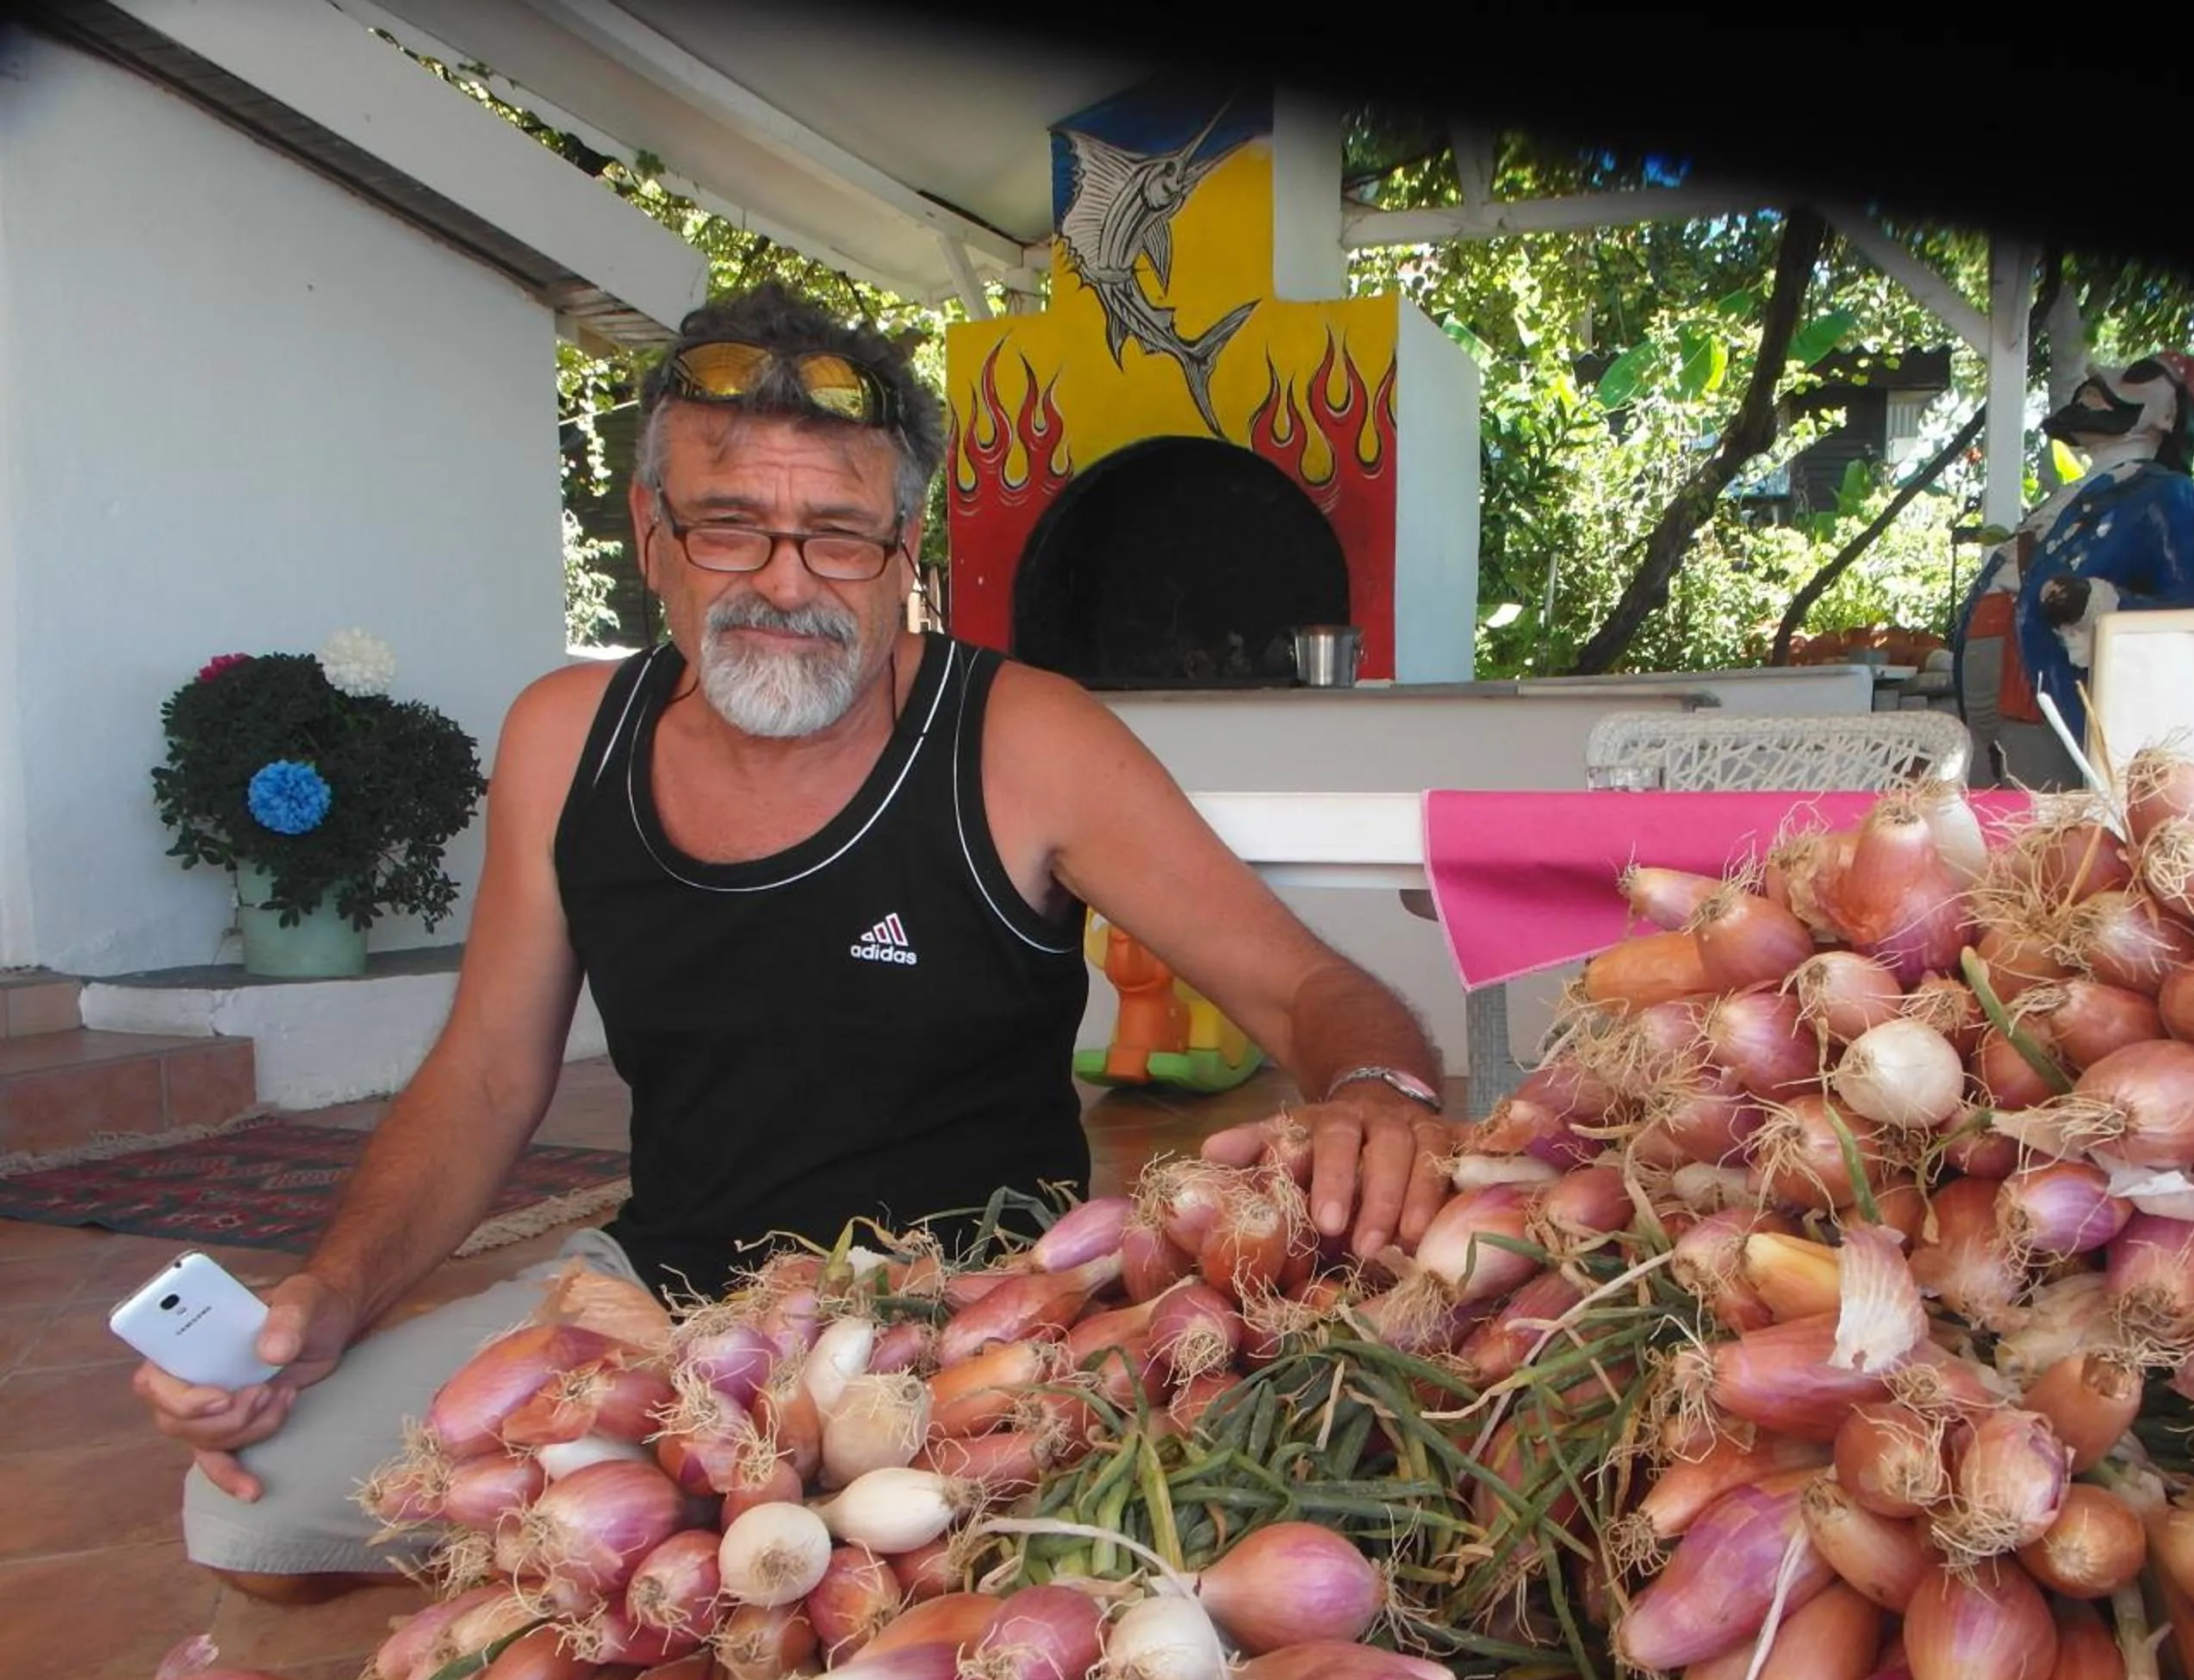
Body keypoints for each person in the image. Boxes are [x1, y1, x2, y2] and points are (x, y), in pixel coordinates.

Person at [138, 282, 1451, 1602]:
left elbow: (1306, 988)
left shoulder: (1019, 739)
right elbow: (484, 1073)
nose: (785, 581)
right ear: (651, 534)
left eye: (836, 535)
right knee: (255, 1520)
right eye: (730, 528)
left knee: (958, 1595)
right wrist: (332, 1296)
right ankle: (658, 1538)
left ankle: (677, 1557)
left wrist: (1378, 1092)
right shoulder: (565, 737)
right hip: (661, 1304)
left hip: (965, 1328)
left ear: (904, 547)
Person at [1951, 350, 2194, 787]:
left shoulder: (2160, 492)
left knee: (2033, 802)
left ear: (2170, 415)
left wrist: (2095, 604)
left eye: (2137, 375)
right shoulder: (2072, 494)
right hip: (1991, 661)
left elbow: (2191, 611)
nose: (2102, 373)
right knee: (1984, 795)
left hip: (2042, 674)